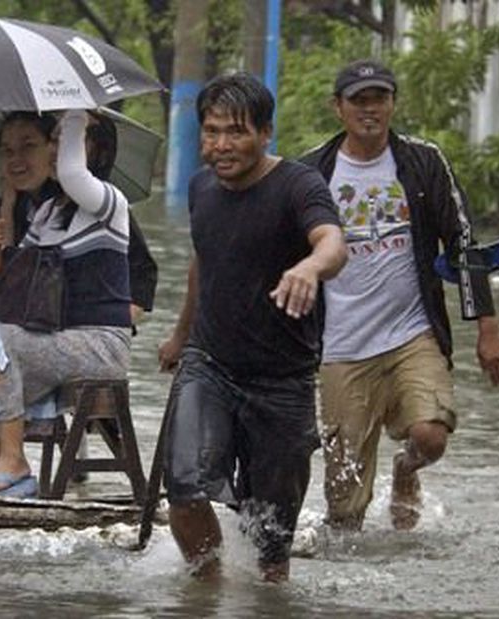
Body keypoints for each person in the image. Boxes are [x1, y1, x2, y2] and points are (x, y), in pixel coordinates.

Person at [300, 59, 499, 532]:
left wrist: (489, 330)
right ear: (339, 108)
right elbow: (280, 253)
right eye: (359, 100)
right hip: (340, 345)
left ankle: (406, 468)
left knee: (431, 435)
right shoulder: (312, 172)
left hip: (412, 332)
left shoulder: (423, 162)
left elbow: (462, 242)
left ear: (393, 104)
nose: (370, 109)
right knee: (344, 509)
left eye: (380, 98)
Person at [157, 72, 347, 582]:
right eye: (212, 131)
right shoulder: (201, 189)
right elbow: (205, 261)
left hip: (283, 379)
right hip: (210, 364)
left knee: (271, 548)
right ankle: (208, 591)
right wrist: (180, 334)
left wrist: (309, 267)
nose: (221, 146)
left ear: (265, 133)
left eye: (235, 132)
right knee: (185, 486)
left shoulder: (298, 185)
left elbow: (333, 242)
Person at [0, 108, 134, 497]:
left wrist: (76, 115)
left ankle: (14, 460)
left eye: (60, 145)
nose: (55, 153)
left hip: (99, 345)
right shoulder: (49, 211)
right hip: (55, 340)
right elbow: (10, 276)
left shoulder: (107, 203)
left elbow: (71, 174)